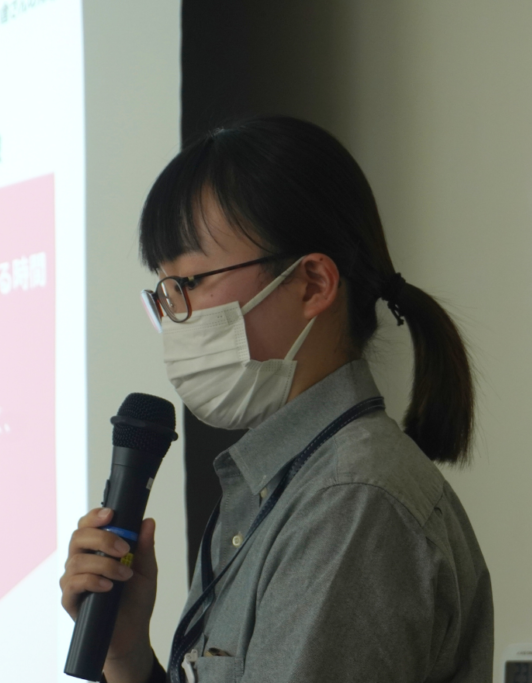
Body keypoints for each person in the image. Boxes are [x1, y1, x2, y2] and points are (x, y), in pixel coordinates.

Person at [60, 116, 493, 683]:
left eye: (189, 284)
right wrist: (126, 656)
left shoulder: (349, 503)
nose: (175, 318)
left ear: (312, 283)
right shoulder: (283, 485)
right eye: (163, 293)